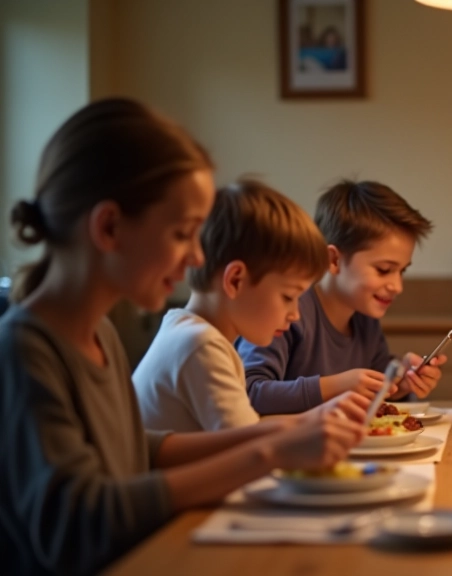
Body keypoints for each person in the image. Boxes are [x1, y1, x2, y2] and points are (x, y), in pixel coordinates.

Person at [0, 98, 367, 576]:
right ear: (109, 227)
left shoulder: (101, 334)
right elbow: (76, 524)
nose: (197, 257)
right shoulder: (24, 351)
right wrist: (267, 451)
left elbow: (138, 450)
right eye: (182, 233)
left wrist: (280, 429)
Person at [133, 179, 329, 432]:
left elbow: (247, 432)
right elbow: (250, 448)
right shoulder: (201, 345)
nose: (295, 315)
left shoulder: (188, 331)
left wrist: (316, 418)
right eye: (288, 297)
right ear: (235, 280)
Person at [238, 180, 446, 415]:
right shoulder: (287, 310)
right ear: (334, 260)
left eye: (402, 271)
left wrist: (400, 384)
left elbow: (379, 396)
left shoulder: (365, 319)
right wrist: (337, 386)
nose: (397, 286)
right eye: (384, 270)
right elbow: (248, 393)